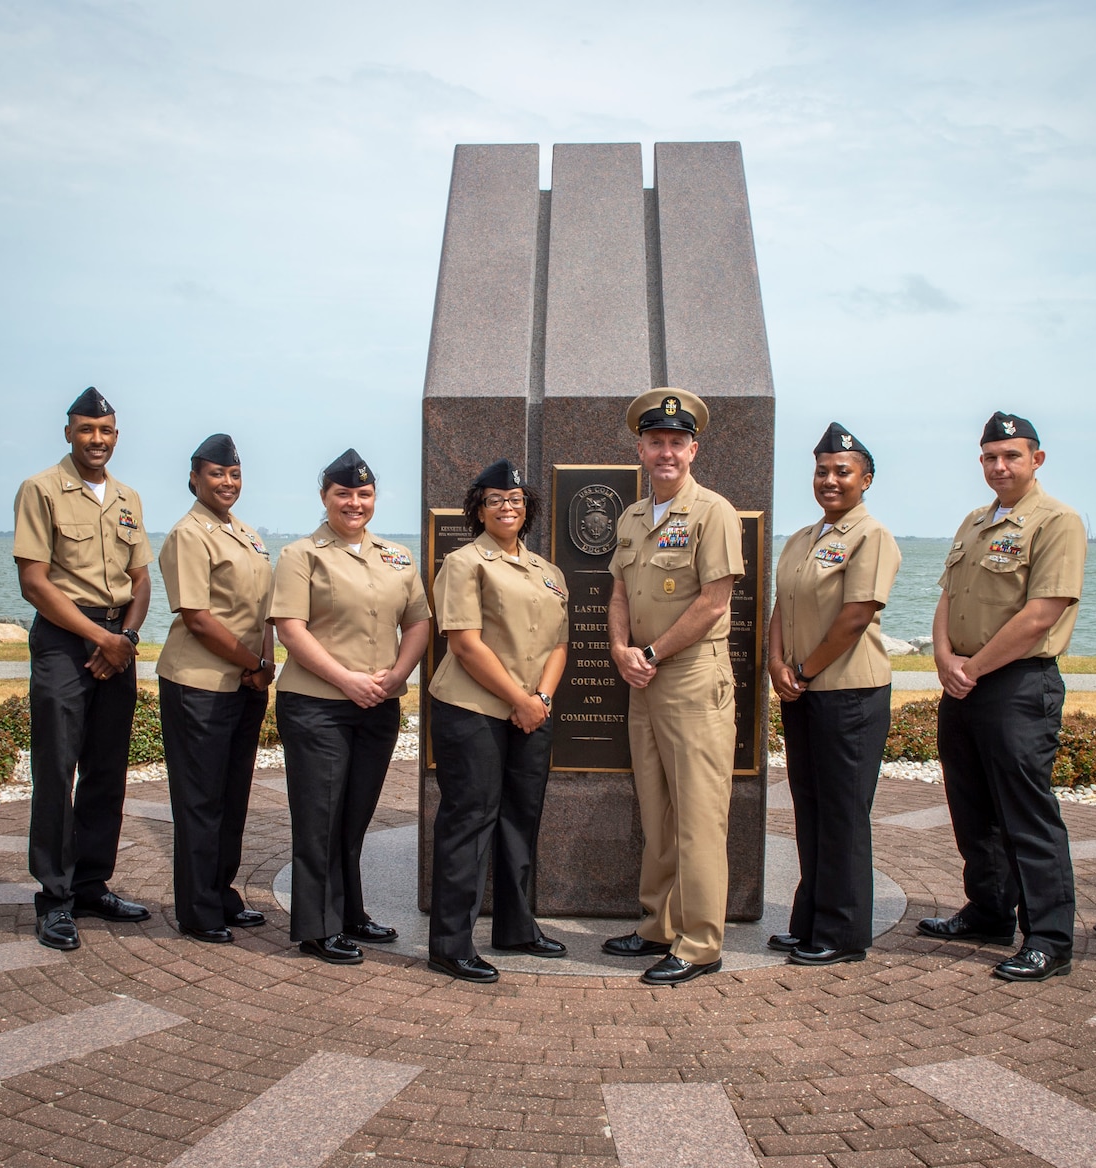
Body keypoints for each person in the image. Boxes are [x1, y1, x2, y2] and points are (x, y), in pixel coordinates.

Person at [918, 412, 1085, 982]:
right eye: (990, 456)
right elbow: (948, 598)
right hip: (964, 682)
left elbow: (1041, 614)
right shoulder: (974, 522)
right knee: (973, 810)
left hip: (1016, 684)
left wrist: (973, 668)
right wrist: (944, 658)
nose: (999, 466)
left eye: (1011, 455)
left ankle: (1050, 937)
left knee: (1026, 814)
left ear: (1036, 459)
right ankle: (989, 910)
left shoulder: (1057, 522)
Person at [603, 388, 744, 986]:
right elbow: (617, 592)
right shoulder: (632, 517)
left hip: (691, 678)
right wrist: (618, 650)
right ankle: (658, 924)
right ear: (641, 448)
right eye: (655, 442)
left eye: (676, 442)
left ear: (693, 448)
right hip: (643, 678)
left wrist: (653, 652)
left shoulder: (714, 512)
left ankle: (700, 942)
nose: (666, 452)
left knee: (698, 815)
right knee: (657, 813)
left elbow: (715, 602)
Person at [269, 449, 431, 965]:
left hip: (378, 705)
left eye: (363, 494)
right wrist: (346, 680)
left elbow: (419, 622)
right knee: (320, 818)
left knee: (354, 815)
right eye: (343, 494)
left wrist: (399, 675)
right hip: (317, 705)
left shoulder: (397, 557)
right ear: (325, 498)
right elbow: (289, 628)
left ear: (375, 499)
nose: (354, 503)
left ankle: (351, 913)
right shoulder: (301, 556)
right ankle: (317, 927)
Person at [13, 386, 153, 951]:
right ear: (68, 432)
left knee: (107, 767)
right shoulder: (41, 489)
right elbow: (34, 581)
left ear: (117, 436)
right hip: (65, 643)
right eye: (87, 430)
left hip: (118, 639)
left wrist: (126, 637)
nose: (98, 440)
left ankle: (92, 883)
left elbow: (141, 581)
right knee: (57, 768)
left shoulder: (128, 498)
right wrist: (101, 638)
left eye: (108, 431)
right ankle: (54, 897)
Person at [427, 459, 570, 983]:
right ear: (479, 509)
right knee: (470, 820)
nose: (506, 507)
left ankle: (516, 927)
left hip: (534, 712)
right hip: (474, 711)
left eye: (514, 500)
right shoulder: (464, 563)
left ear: (527, 508)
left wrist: (542, 699)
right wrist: (520, 699)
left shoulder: (549, 573)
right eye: (494, 500)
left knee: (519, 820)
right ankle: (450, 943)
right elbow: (464, 644)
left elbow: (559, 644)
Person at [767, 423, 901, 966]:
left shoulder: (873, 538)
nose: (829, 479)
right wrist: (776, 664)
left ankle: (843, 934)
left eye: (842, 471)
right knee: (812, 808)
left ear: (866, 479)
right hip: (804, 691)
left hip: (849, 692)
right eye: (822, 470)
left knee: (844, 814)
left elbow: (855, 617)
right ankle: (810, 921)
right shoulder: (803, 538)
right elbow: (783, 606)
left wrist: (802, 669)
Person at [156, 434, 276, 944]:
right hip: (199, 686)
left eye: (234, 474)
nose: (227, 482)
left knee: (232, 797)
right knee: (200, 801)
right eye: (216, 474)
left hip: (245, 683)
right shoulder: (189, 535)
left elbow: (263, 608)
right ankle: (198, 909)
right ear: (193, 478)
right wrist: (254, 663)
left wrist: (264, 662)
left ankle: (223, 892)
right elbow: (198, 619)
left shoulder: (246, 534)